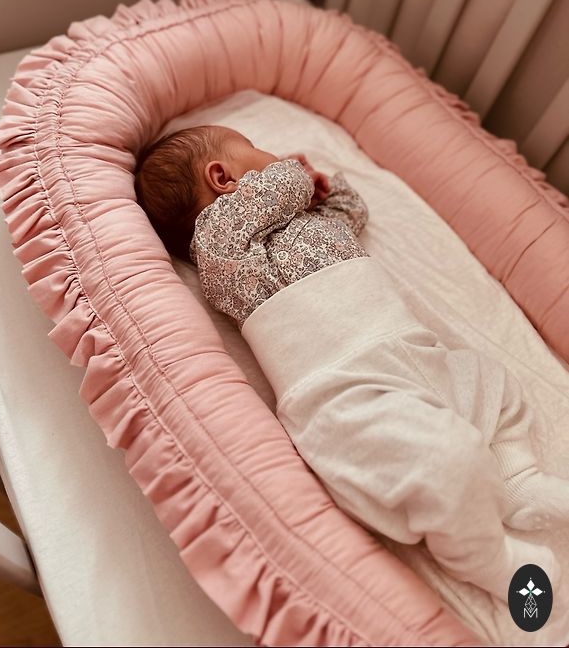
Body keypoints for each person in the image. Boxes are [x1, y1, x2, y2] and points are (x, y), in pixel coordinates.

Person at [135, 123, 566, 601]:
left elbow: (351, 213)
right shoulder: (222, 247)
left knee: (492, 385)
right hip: (346, 389)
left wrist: (329, 190)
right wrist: (296, 174)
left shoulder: (303, 224)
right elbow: (283, 184)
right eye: (254, 149)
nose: (274, 157)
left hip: (414, 353)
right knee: (443, 461)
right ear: (222, 178)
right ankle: (488, 559)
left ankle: (516, 480)